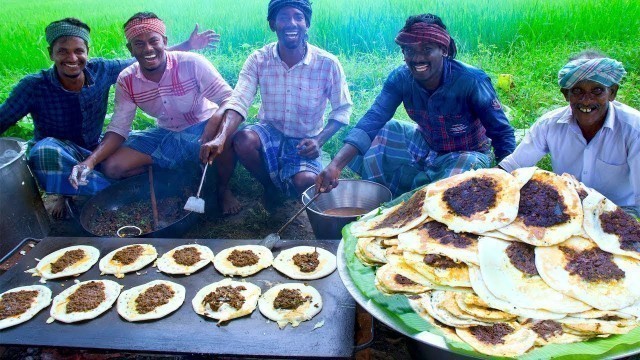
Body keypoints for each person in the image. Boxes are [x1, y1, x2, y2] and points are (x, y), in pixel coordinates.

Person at [0, 17, 219, 218]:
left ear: (87, 52)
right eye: (63, 52)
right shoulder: (33, 86)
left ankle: (112, 187)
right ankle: (99, 192)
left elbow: (146, 55)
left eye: (78, 51)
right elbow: (4, 118)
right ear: (51, 53)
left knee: (119, 156)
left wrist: (188, 46)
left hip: (94, 146)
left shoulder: (102, 70)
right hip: (60, 152)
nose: (72, 58)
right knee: (45, 152)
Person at [315, 14, 515, 197]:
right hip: (426, 146)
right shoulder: (400, 78)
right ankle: (380, 197)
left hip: (466, 153)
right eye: (409, 50)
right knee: (381, 130)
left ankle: (412, 206)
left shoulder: (471, 81)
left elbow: (502, 133)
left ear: (443, 50)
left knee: (461, 176)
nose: (417, 58)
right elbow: (373, 119)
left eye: (427, 49)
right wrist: (335, 165)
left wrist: (508, 182)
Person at [200, 0, 353, 214]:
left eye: (298, 17)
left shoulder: (327, 63)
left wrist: (319, 141)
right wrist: (221, 137)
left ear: (306, 23)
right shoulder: (258, 59)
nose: (291, 23)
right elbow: (239, 101)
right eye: (283, 18)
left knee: (306, 182)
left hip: (305, 139)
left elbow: (342, 109)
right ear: (273, 24)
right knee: (243, 140)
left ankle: (289, 181)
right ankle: (270, 187)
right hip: (269, 131)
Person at [67, 12, 232, 188]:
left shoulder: (192, 63)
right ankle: (177, 172)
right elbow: (119, 128)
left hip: (203, 129)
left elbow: (230, 99)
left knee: (228, 132)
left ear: (165, 42)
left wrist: (216, 119)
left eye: (154, 41)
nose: (148, 49)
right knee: (112, 167)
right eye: (139, 43)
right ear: (130, 49)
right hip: (165, 132)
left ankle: (223, 190)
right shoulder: (127, 80)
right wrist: (89, 162)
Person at [499, 51, 639, 216]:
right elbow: (512, 166)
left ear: (612, 93)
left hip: (619, 211)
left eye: (597, 90)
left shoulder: (634, 129)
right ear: (566, 94)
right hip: (567, 208)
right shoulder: (549, 125)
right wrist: (476, 184)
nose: (586, 100)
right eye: (577, 91)